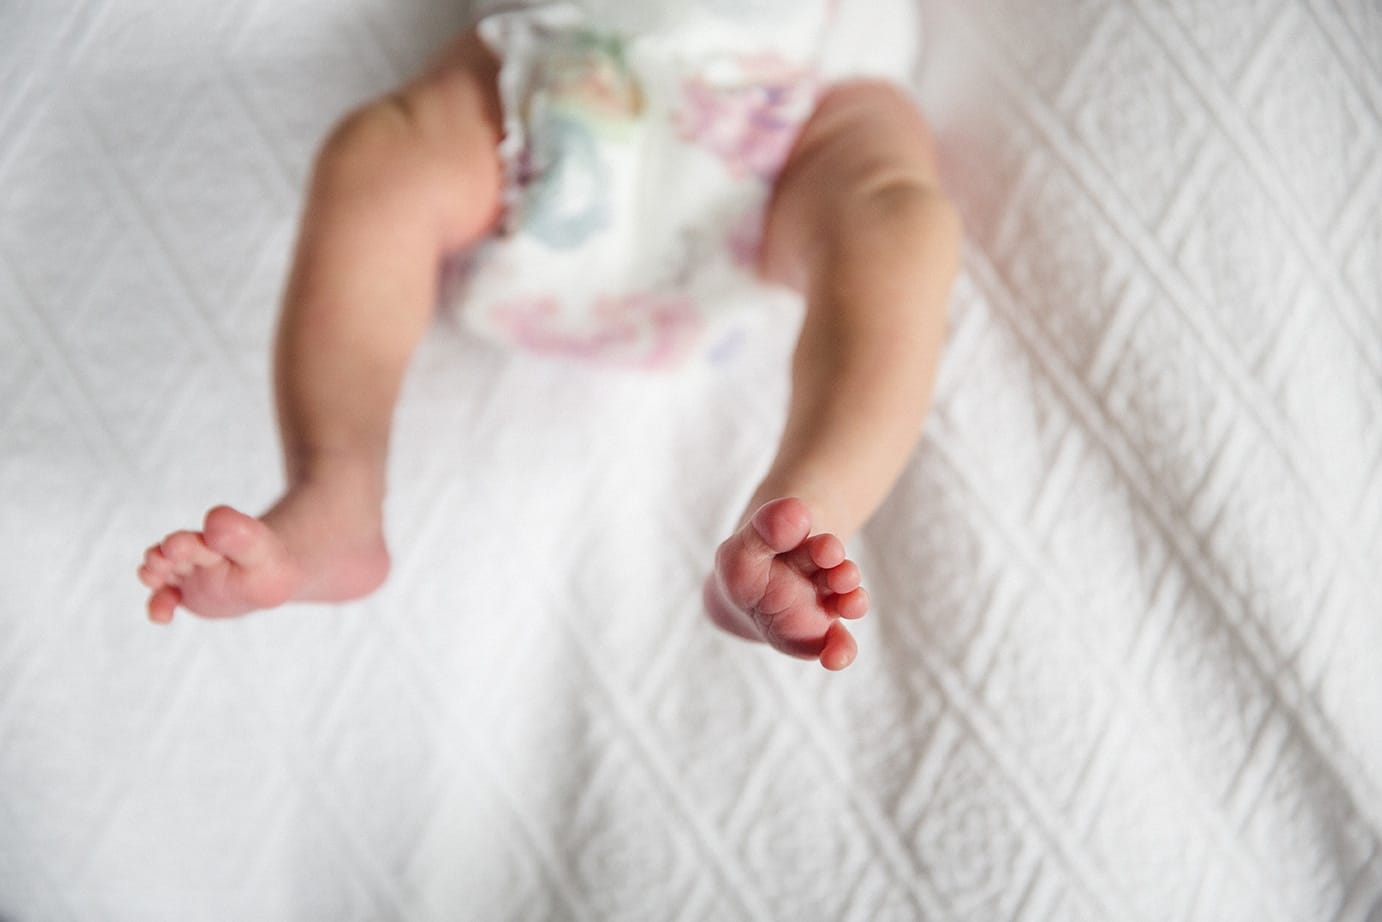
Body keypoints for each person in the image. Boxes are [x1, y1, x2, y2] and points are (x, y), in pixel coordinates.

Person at [135, 1, 961, 671]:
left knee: (900, 220)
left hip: (803, 110)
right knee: (378, 157)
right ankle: (333, 493)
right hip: (560, 79)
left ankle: (802, 513)